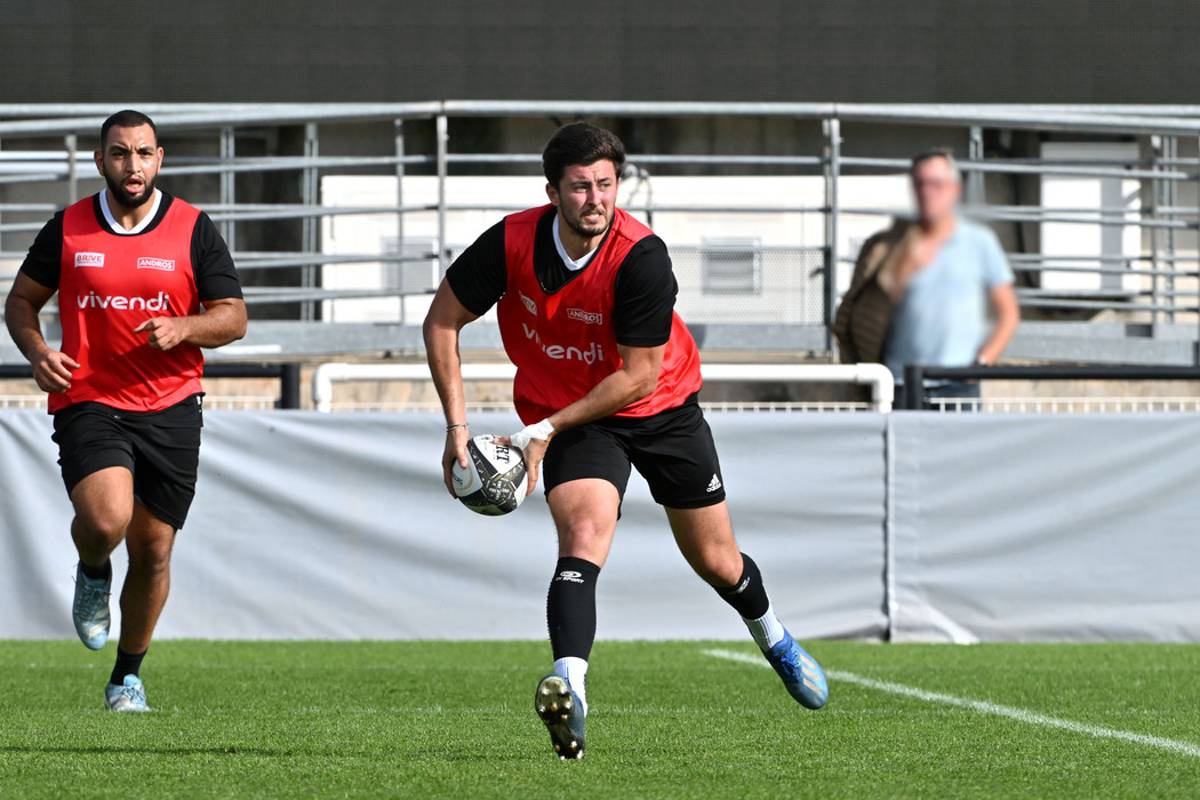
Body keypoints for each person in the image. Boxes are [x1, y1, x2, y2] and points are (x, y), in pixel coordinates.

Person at [423, 122, 828, 761]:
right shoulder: (510, 241)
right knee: (582, 537)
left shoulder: (641, 256)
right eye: (580, 187)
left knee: (719, 562)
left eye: (606, 185)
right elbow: (442, 319)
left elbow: (637, 373)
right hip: (578, 420)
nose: (596, 200)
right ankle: (572, 691)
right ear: (552, 190)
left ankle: (772, 634)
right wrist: (457, 427)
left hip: (661, 407)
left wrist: (543, 432)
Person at [4, 109, 246, 712]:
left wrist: (185, 326)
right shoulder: (68, 228)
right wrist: (37, 353)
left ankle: (126, 678)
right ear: (100, 160)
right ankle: (91, 567)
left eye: (142, 153)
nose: (131, 165)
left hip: (171, 404)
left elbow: (234, 317)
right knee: (108, 520)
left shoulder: (193, 228)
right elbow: (21, 304)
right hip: (90, 400)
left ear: (159, 159)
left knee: (154, 549)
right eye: (119, 153)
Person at [835, 148, 1020, 407]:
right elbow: (860, 313)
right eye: (920, 184)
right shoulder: (888, 245)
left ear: (955, 189)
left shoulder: (979, 242)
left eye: (936, 184)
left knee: (960, 450)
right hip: (900, 383)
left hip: (957, 385)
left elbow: (1008, 313)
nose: (927, 192)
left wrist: (980, 365)